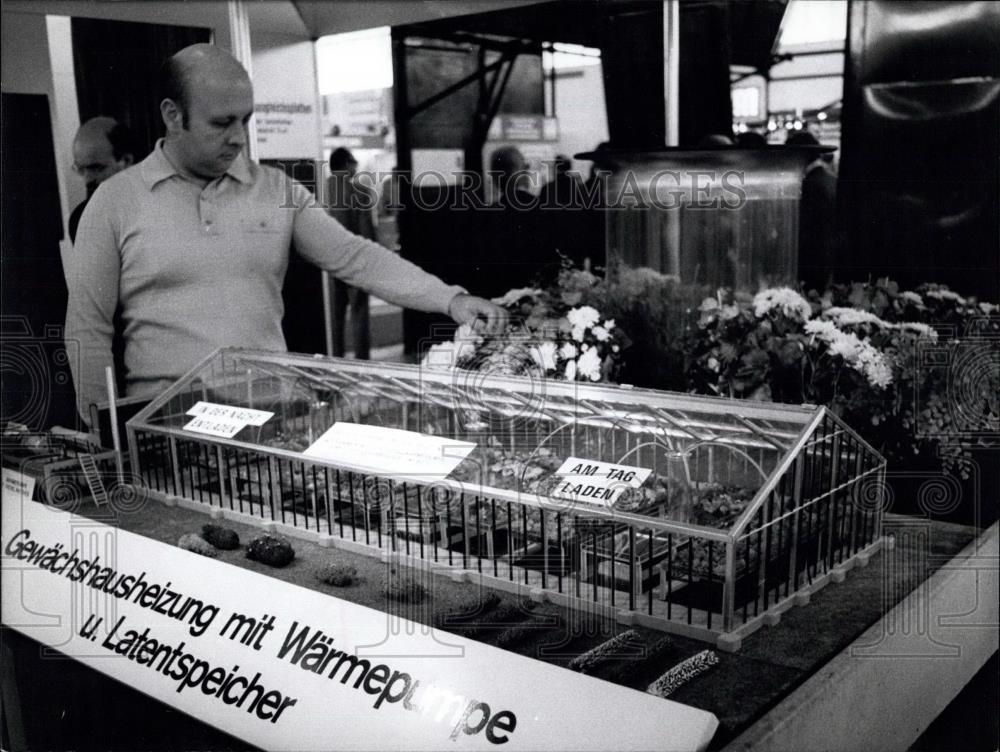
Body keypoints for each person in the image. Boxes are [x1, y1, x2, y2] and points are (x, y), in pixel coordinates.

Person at [64, 44, 506, 420]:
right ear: (172, 115)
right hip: (172, 423)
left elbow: (355, 256)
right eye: (222, 122)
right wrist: (106, 435)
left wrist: (450, 298)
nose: (239, 137)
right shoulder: (114, 202)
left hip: (276, 417)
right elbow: (87, 328)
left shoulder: (276, 189)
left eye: (246, 120)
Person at [326, 147, 374, 359]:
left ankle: (336, 359)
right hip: (355, 262)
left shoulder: (322, 188)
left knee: (334, 318)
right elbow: (366, 230)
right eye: (354, 163)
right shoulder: (359, 191)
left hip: (328, 262)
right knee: (359, 313)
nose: (356, 167)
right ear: (347, 164)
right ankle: (362, 362)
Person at [68, 117, 136, 243]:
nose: (87, 180)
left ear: (126, 161)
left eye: (95, 167)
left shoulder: (158, 208)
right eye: (80, 169)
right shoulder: (80, 219)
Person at [786, 130, 838, 288]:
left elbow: (807, 231)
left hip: (813, 262)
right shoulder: (830, 179)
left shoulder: (811, 184)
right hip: (828, 259)